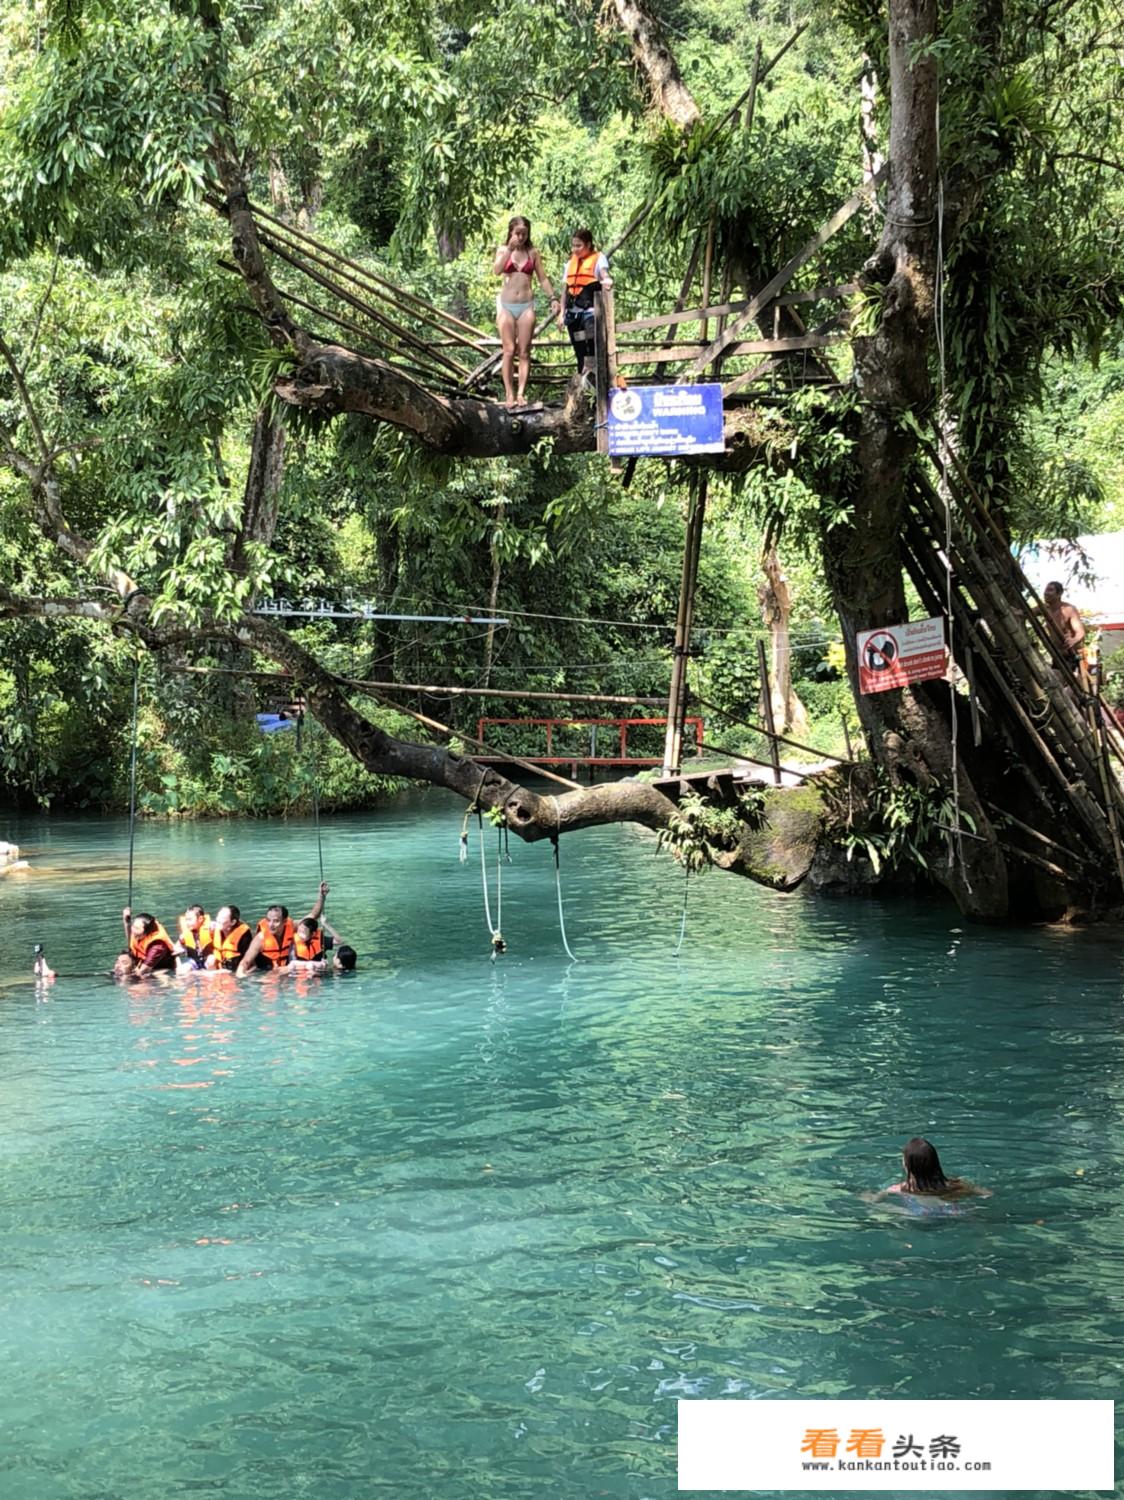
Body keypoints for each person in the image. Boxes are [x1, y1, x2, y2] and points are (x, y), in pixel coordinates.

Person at [492, 216, 558, 410]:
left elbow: (543, 279)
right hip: (507, 305)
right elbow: (496, 270)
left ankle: (521, 392)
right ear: (511, 232)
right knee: (509, 350)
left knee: (524, 351)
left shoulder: (533, 253)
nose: (520, 237)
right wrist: (510, 250)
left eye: (524, 233)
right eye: (517, 233)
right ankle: (509, 393)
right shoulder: (503, 250)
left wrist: (553, 297)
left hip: (526, 306)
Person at [236, 881, 329, 977]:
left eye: (276, 921)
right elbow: (246, 961)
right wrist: (240, 973)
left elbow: (313, 916)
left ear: (284, 922)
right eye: (268, 920)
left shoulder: (291, 926)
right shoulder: (261, 939)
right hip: (266, 973)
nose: (271, 925)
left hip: (288, 972)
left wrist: (322, 897)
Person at [558, 228, 612, 379]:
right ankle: (583, 381)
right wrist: (561, 314)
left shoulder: (598, 258)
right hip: (573, 313)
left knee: (593, 346)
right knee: (579, 350)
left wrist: (607, 279)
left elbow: (604, 273)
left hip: (590, 311)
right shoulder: (570, 264)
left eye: (579, 246)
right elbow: (565, 289)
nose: (575, 249)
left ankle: (597, 379)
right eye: (573, 245)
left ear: (588, 245)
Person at [883, 1137, 989, 1200]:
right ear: (935, 1162)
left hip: (919, 1217)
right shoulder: (958, 1185)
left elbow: (874, 1200)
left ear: (907, 1165)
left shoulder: (899, 1189)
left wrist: (868, 1196)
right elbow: (987, 1193)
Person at [1042, 581, 1087, 673]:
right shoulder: (1044, 608)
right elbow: (1022, 612)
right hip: (1057, 656)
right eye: (1046, 590)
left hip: (1071, 655)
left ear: (1059, 594)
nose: (1046, 593)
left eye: (1050, 590)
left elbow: (1080, 632)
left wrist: (1073, 640)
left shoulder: (1069, 609)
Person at [121, 908, 177, 975]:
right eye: (133, 926)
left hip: (158, 969)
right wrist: (126, 922)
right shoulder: (139, 934)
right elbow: (130, 941)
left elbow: (142, 972)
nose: (133, 930)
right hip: (142, 963)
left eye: (137, 928)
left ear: (147, 932)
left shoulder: (157, 945)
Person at [208, 905, 254, 972]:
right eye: (218, 916)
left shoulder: (244, 936)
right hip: (220, 969)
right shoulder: (214, 929)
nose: (218, 919)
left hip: (234, 971)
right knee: (211, 959)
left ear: (233, 922)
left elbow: (250, 962)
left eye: (222, 918)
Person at [175, 904, 215, 972]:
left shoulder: (211, 928)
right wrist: (179, 965)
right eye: (186, 920)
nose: (187, 923)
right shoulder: (185, 935)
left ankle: (212, 978)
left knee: (211, 959)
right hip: (195, 961)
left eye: (190, 920)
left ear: (200, 919)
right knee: (181, 970)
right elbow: (175, 950)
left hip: (210, 961)